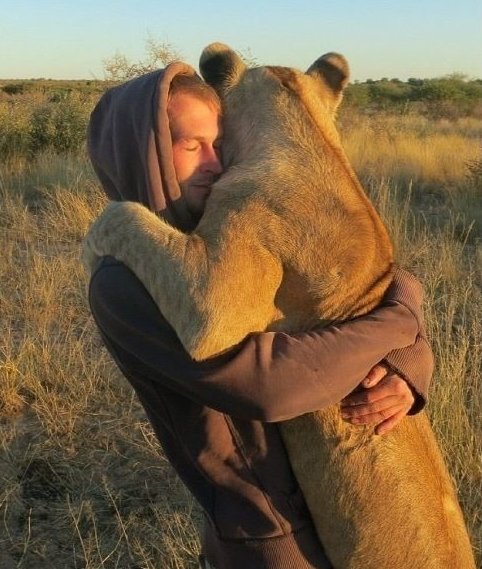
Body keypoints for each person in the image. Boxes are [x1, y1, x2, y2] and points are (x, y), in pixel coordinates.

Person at [86, 62, 434, 569]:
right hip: (271, 537)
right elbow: (272, 388)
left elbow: (346, 296)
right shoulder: (123, 281)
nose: (215, 163)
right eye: (190, 146)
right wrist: (400, 322)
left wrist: (408, 362)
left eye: (218, 143)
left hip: (333, 508)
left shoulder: (216, 236)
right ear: (143, 153)